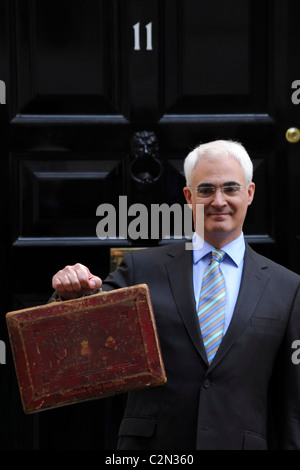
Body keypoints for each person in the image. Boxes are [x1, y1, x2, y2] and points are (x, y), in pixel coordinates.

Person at [52, 140, 300, 450]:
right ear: (188, 197)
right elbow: (85, 337)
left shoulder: (286, 287)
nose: (218, 201)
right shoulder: (141, 267)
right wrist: (70, 294)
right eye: (206, 190)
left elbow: (291, 405)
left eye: (231, 189)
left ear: (249, 193)